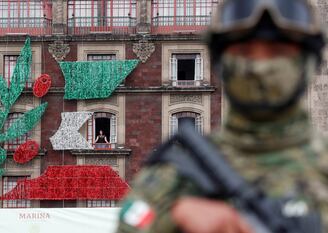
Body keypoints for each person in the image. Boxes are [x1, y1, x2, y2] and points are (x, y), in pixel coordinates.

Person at [116, 0, 328, 233]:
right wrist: (172, 217)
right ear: (220, 62)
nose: (260, 68)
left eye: (278, 52)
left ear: (309, 62)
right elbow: (134, 218)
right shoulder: (171, 180)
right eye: (244, 52)